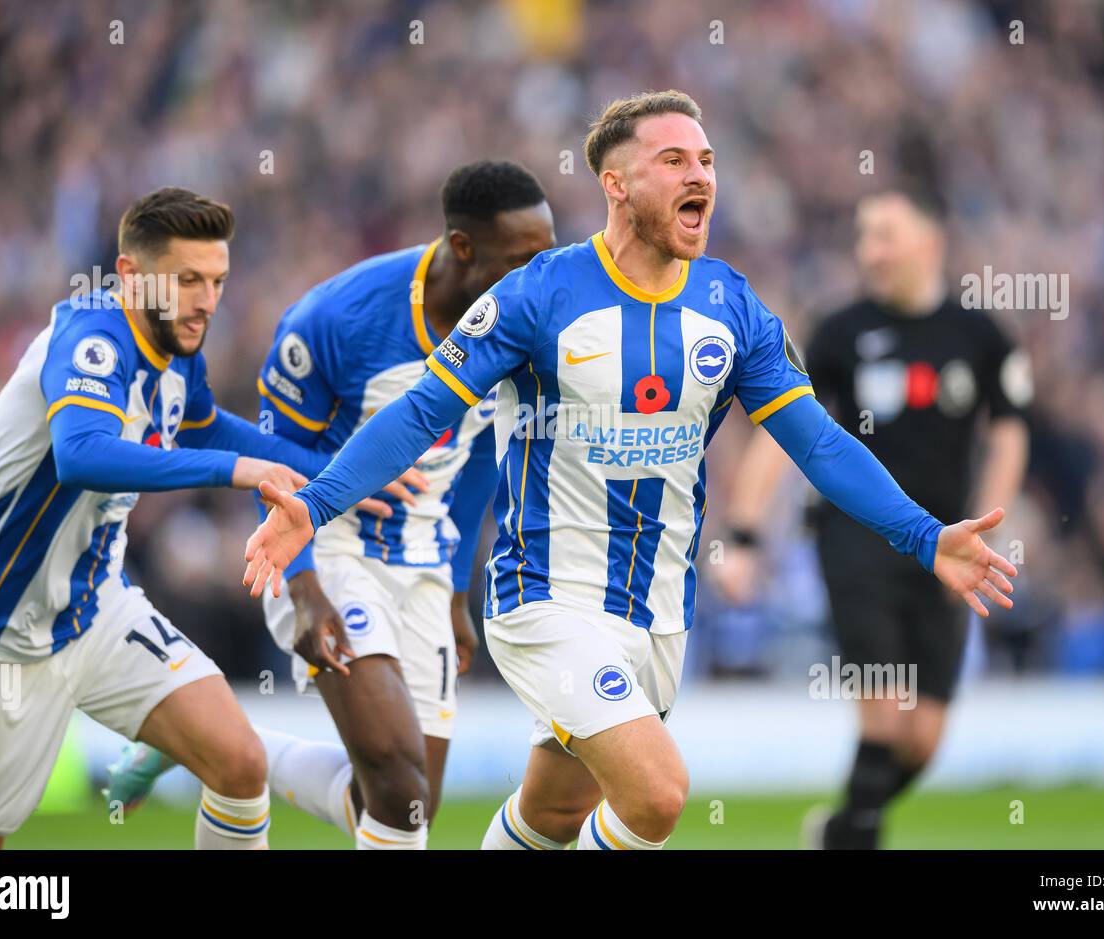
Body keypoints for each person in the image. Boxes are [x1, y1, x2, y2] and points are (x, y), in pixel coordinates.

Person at [241, 91, 1017, 851]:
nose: (701, 177)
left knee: (552, 810)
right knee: (655, 796)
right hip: (546, 597)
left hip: (658, 612)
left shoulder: (730, 304)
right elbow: (420, 413)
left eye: (707, 161)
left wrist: (925, 536)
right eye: (673, 159)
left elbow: (817, 443)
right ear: (616, 184)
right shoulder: (539, 294)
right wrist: (314, 504)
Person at [0, 187, 407, 849]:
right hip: (0, 629)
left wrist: (337, 466)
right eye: (187, 281)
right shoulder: (90, 338)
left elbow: (207, 427)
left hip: (96, 608)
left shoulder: (177, 351)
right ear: (129, 275)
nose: (207, 300)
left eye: (217, 281)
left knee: (239, 763)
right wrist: (240, 474)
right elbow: (82, 455)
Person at [107, 161, 555, 850]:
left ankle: (218, 742)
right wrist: (306, 586)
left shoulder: (518, 325)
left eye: (545, 256)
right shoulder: (337, 318)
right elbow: (278, 470)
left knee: (402, 805)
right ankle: (219, 740)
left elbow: (472, 467)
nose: (537, 276)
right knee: (401, 790)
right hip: (333, 550)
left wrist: (459, 589)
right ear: (463, 248)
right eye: (521, 259)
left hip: (425, 562)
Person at [717, 185, 1031, 848]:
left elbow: (1009, 431)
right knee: (885, 719)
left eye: (885, 234)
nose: (871, 251)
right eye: (864, 236)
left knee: (923, 739)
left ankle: (840, 831)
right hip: (854, 539)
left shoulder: (978, 335)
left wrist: (988, 522)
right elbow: (784, 430)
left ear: (930, 240)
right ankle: (852, 839)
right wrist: (744, 535)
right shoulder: (840, 332)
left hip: (949, 545)